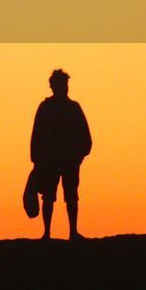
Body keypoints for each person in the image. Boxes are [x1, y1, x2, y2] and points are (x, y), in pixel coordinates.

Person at [30, 68, 92, 240]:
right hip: (49, 161)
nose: (64, 88)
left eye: (65, 84)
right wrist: (37, 161)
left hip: (69, 161)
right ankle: (47, 233)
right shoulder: (46, 108)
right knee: (48, 197)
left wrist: (79, 155)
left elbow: (86, 136)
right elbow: (37, 135)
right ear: (53, 86)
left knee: (71, 196)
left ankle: (72, 231)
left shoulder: (73, 108)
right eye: (60, 84)